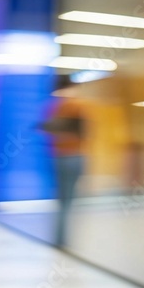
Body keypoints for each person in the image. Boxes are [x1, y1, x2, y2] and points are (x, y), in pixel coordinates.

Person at [39, 75, 86, 246]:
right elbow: (83, 131)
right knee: (69, 201)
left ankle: (60, 238)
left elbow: (48, 127)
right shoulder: (77, 105)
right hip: (74, 155)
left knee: (62, 199)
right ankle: (63, 240)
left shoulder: (53, 106)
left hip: (58, 156)